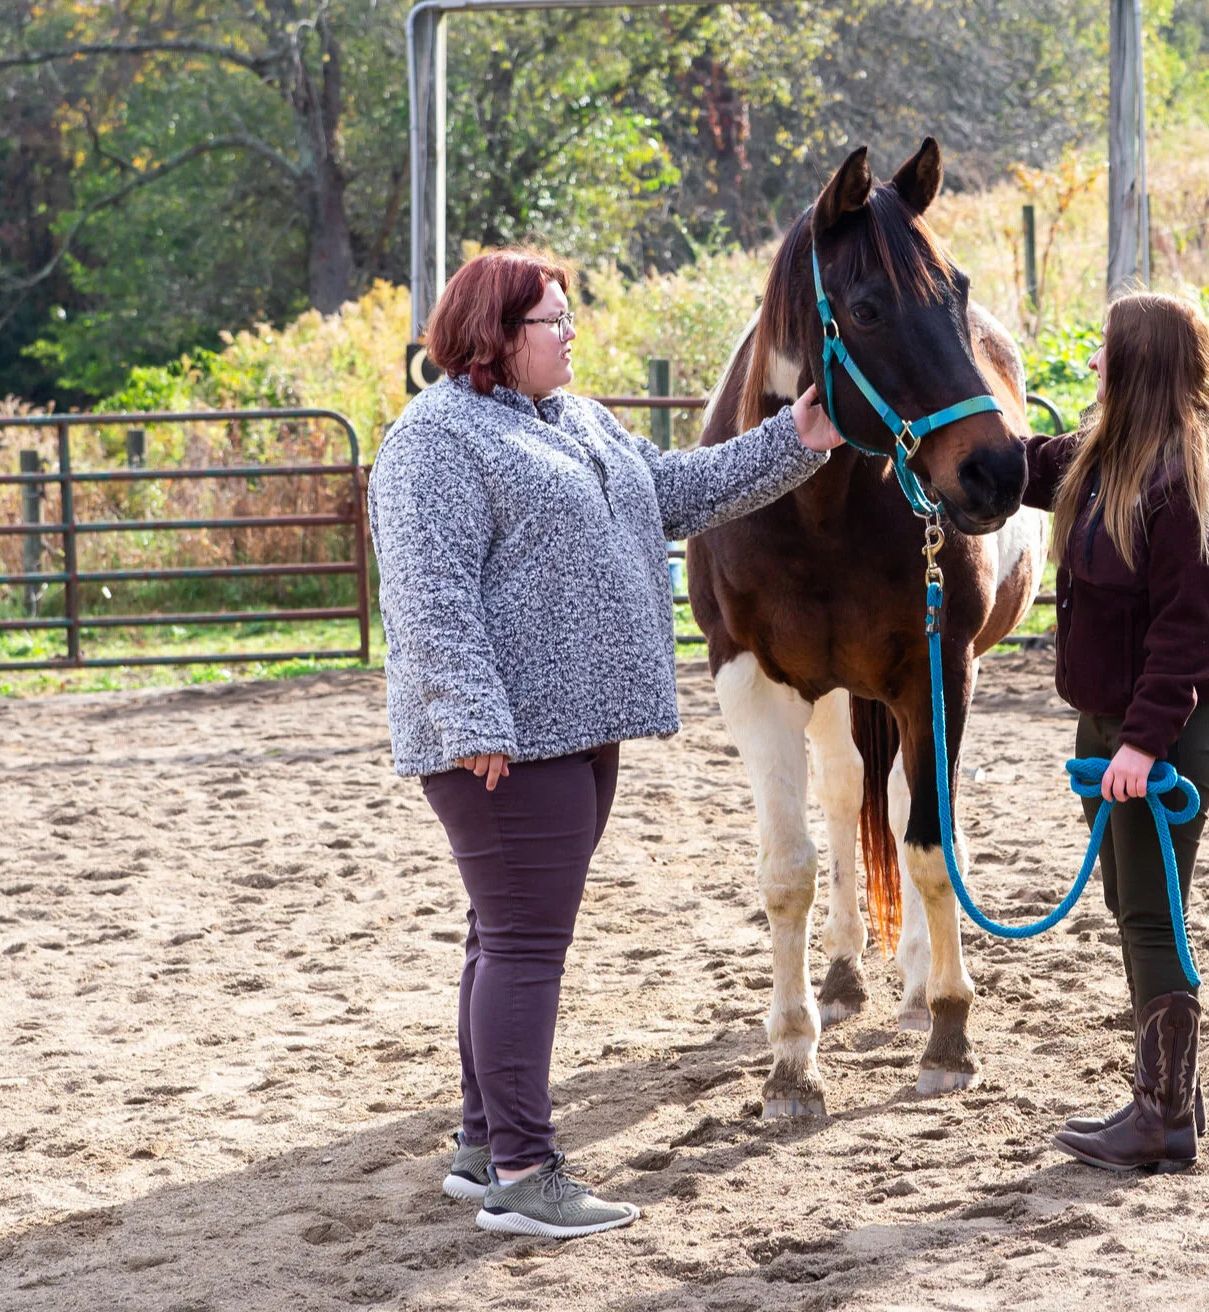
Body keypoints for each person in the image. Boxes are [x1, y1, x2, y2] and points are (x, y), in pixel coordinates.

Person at [368, 247, 842, 1238]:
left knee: (499, 937)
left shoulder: (575, 420)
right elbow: (428, 589)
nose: (570, 333)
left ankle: (478, 1143)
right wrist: (473, 717)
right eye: (552, 319)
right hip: (504, 742)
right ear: (494, 334)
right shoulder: (436, 438)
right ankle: (526, 1171)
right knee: (526, 947)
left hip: (577, 727)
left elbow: (674, 490)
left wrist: (792, 438)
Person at [1023, 292, 1209, 1174]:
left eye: (1105, 354)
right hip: (1110, 723)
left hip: (1167, 732)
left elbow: (1184, 635)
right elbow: (1023, 466)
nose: (1092, 368)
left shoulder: (1187, 485)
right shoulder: (1109, 457)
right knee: (1132, 906)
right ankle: (1171, 1097)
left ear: (1140, 365)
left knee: (1152, 914)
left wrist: (1144, 743)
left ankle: (1162, 1120)